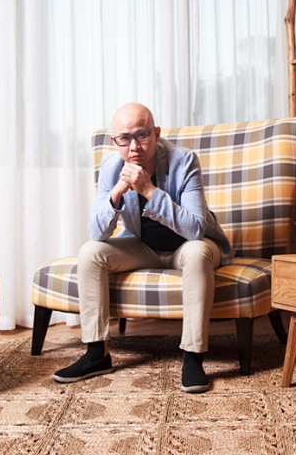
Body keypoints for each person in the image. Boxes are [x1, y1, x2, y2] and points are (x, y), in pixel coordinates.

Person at [53, 102, 234, 392]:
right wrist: (116, 193)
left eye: (142, 135)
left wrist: (148, 190)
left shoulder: (184, 160)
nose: (134, 146)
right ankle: (96, 353)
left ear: (156, 133)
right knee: (90, 252)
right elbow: (97, 232)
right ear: (114, 141)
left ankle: (193, 357)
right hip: (144, 247)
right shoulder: (111, 166)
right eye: (124, 138)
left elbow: (195, 229)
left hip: (187, 247)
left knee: (197, 253)